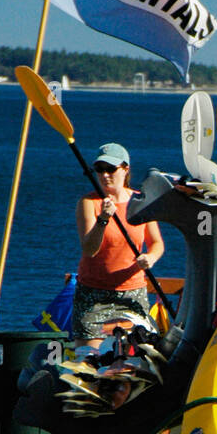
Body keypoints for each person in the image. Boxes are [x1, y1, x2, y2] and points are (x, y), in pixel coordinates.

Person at [72, 143, 164, 341]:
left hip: (132, 294)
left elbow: (156, 243)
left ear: (125, 169)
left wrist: (151, 257)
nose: (105, 175)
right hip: (93, 295)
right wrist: (103, 219)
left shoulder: (140, 202)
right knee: (89, 360)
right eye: (99, 169)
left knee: (132, 356)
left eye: (111, 169)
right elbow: (89, 249)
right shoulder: (88, 203)